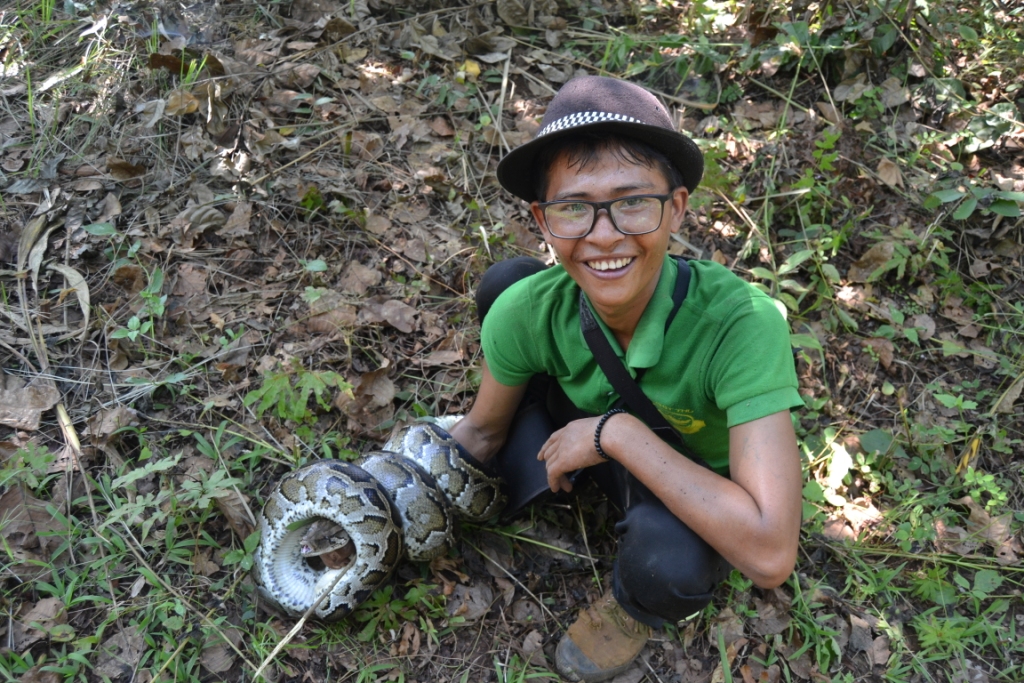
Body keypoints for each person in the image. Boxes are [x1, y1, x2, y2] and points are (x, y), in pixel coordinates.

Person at [448, 76, 803, 683]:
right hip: (574, 421)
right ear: (543, 218)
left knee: (672, 563)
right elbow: (478, 433)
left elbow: (771, 555)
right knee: (505, 283)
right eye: (573, 208)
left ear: (677, 208)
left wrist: (617, 435)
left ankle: (634, 606)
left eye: (633, 201)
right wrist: (405, 493)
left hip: (683, 472)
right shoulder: (531, 309)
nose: (604, 234)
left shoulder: (742, 323)